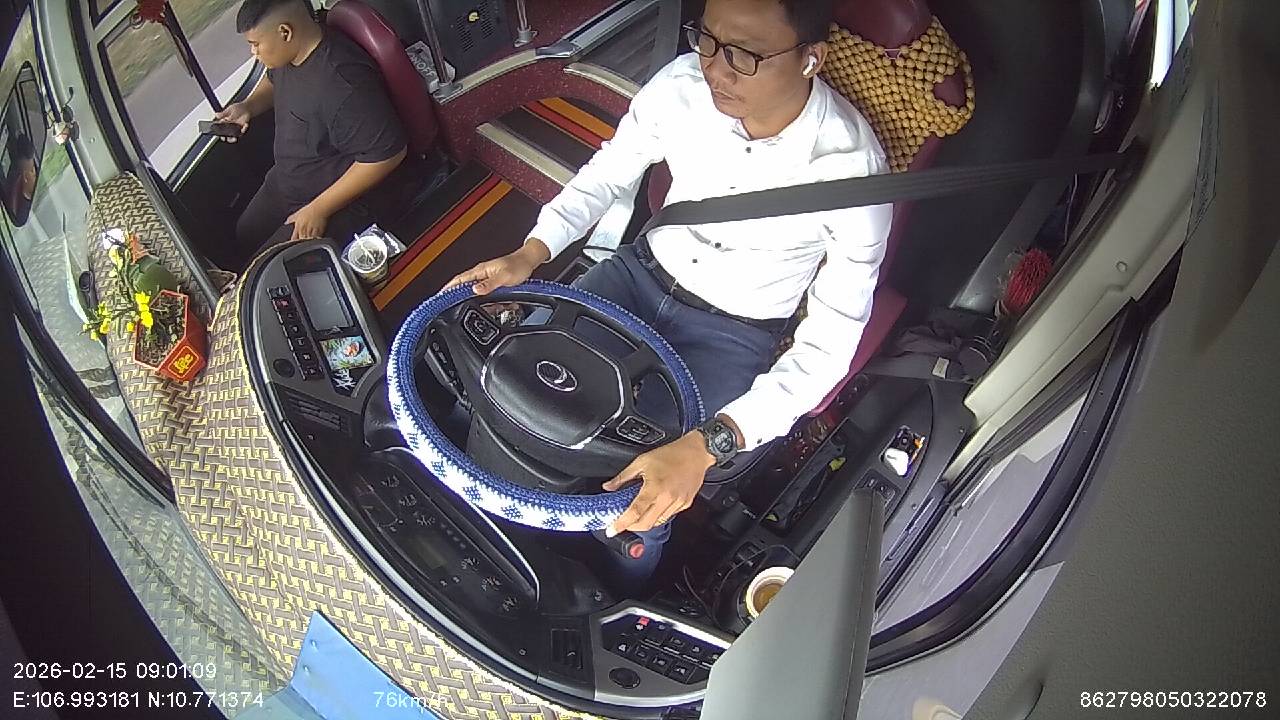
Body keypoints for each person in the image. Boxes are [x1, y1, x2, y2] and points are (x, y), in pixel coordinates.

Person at [447, 0, 891, 588]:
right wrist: (531, 252)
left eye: (745, 54)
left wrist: (709, 446)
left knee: (644, 492)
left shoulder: (854, 174)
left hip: (731, 335)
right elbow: (607, 173)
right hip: (634, 276)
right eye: (708, 40)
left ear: (812, 59)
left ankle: (617, 591)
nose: (717, 69)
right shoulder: (681, 85)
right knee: (508, 377)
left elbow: (830, 345)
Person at [215, 0, 408, 261]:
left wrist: (318, 209)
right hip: (287, 180)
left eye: (256, 44)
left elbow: (388, 154)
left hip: (331, 198)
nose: (253, 52)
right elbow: (273, 80)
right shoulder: (287, 57)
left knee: (267, 268)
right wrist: (248, 106)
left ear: (285, 32)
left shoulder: (342, 83)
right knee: (245, 233)